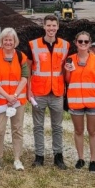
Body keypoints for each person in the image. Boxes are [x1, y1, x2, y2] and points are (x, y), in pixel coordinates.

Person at [64, 31, 95, 172]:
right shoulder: (70, 59)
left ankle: (93, 160)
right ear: (76, 43)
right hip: (76, 101)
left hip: (93, 102)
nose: (83, 44)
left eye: (86, 41)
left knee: (92, 131)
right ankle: (80, 158)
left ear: (90, 43)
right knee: (78, 131)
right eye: (80, 41)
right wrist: (67, 71)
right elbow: (68, 80)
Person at [28, 15, 70, 169]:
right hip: (38, 92)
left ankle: (58, 157)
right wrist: (28, 91)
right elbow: (28, 70)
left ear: (58, 27)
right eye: (49, 25)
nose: (51, 28)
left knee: (57, 127)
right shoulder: (33, 45)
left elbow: (67, 69)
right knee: (38, 126)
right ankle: (39, 157)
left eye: (54, 25)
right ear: (43, 27)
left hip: (57, 92)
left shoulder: (65, 45)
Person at [0, 27, 29, 170]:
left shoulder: (21, 56)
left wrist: (14, 96)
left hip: (18, 101)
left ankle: (17, 159)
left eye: (11, 40)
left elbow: (24, 78)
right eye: (5, 40)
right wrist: (7, 96)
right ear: (2, 41)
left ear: (15, 41)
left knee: (17, 129)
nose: (8, 42)